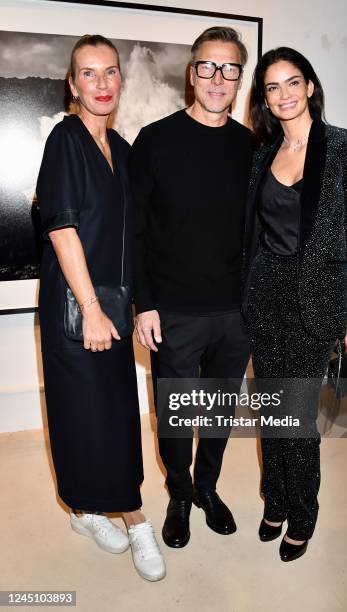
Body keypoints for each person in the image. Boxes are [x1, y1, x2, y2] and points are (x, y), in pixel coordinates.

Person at [36, 34, 165, 581]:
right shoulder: (65, 140)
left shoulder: (124, 149)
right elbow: (62, 227)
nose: (103, 83)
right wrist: (90, 307)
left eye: (111, 72)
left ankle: (88, 510)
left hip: (111, 307)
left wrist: (138, 304)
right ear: (73, 84)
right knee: (83, 416)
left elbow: (131, 236)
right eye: (89, 74)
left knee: (109, 414)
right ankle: (133, 518)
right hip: (77, 308)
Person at [242, 47, 347, 562]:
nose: (283, 95)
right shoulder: (262, 154)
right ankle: (274, 501)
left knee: (296, 416)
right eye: (272, 87)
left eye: (292, 83)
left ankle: (303, 515)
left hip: (317, 299)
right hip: (264, 297)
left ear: (310, 86)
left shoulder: (344, 146)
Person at [129, 27, 253, 548]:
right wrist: (145, 304)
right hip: (173, 311)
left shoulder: (253, 146)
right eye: (208, 66)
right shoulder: (155, 140)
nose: (218, 78)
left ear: (239, 78)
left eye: (229, 69)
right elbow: (132, 230)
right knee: (175, 414)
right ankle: (179, 494)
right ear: (192, 72)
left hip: (237, 312)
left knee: (221, 409)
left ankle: (207, 487)